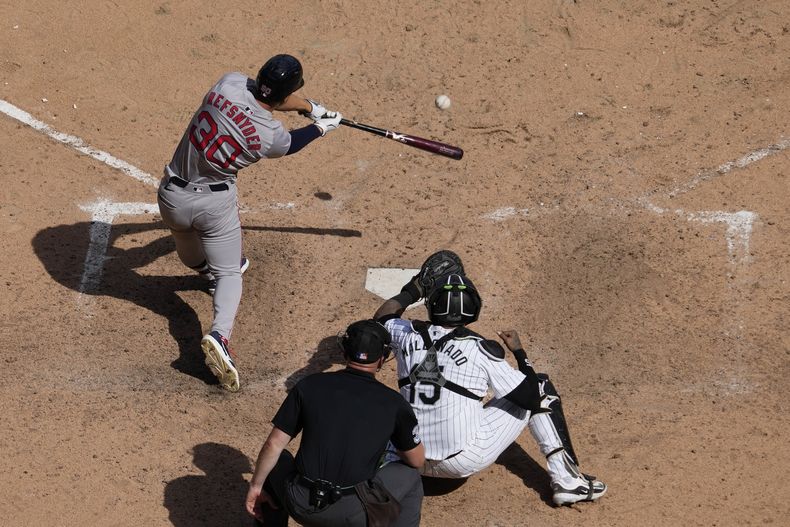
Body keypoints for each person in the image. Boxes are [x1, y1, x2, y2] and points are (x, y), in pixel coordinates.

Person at [157, 54, 342, 391]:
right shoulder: (270, 135)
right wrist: (319, 126)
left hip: (172, 196)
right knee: (229, 272)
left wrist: (309, 106)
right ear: (287, 95)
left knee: (186, 242)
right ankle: (220, 335)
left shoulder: (227, 83)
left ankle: (206, 272)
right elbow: (291, 143)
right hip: (214, 205)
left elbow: (268, 96)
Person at [372, 258, 607, 507]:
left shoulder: (407, 334)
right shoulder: (478, 349)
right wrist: (519, 353)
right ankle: (568, 481)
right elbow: (529, 397)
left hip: (409, 457)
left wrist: (413, 290)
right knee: (539, 387)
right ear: (474, 309)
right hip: (461, 462)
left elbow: (381, 319)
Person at [245, 320, 426, 527]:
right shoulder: (394, 403)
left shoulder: (310, 385)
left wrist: (255, 486)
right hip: (354, 515)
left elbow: (273, 445)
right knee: (411, 476)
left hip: (300, 502)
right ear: (382, 359)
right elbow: (416, 460)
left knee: (275, 459)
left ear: (344, 352)